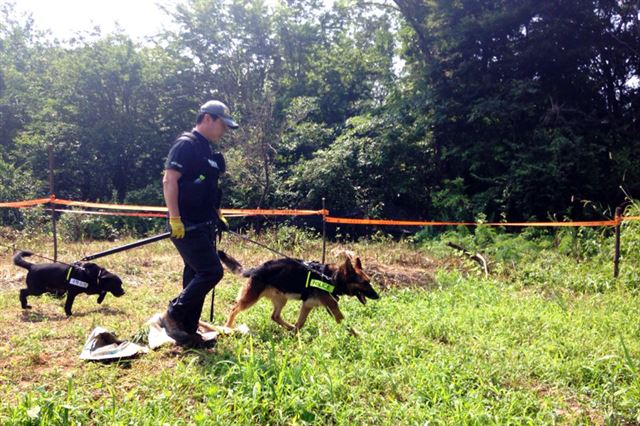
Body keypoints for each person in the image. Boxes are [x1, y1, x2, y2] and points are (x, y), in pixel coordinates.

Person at [160, 100, 238, 347]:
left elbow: (211, 187)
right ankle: (172, 314)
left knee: (195, 272)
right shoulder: (186, 145)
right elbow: (169, 180)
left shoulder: (207, 149)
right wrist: (175, 218)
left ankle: (187, 329)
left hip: (204, 223)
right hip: (186, 223)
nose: (224, 131)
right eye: (222, 125)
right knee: (211, 271)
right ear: (207, 118)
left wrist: (218, 214)